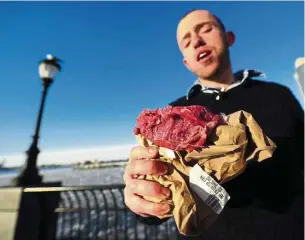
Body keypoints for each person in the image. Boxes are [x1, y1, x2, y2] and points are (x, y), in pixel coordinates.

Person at [124, 9, 304, 240]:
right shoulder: (173, 114)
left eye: (205, 29)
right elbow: (157, 203)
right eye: (186, 41)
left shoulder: (278, 95)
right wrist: (142, 200)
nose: (197, 41)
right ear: (186, 62)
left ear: (228, 37)